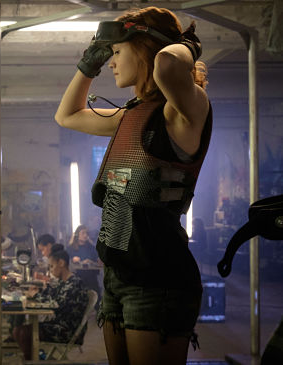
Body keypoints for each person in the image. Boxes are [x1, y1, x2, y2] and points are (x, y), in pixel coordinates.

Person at [54, 7, 211, 365]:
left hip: (160, 280)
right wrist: (87, 65)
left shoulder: (184, 111)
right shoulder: (133, 116)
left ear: (146, 50)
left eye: (118, 51)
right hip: (118, 277)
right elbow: (66, 115)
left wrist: (184, 44)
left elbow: (170, 66)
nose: (110, 62)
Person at [12, 245, 89, 360]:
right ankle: (34, 359)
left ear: (61, 263)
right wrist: (38, 292)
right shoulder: (63, 282)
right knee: (18, 330)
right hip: (57, 325)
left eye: (52, 266)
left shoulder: (74, 283)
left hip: (66, 330)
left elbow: (57, 304)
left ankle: (32, 360)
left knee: (24, 333)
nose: (51, 270)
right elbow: (51, 296)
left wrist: (36, 295)